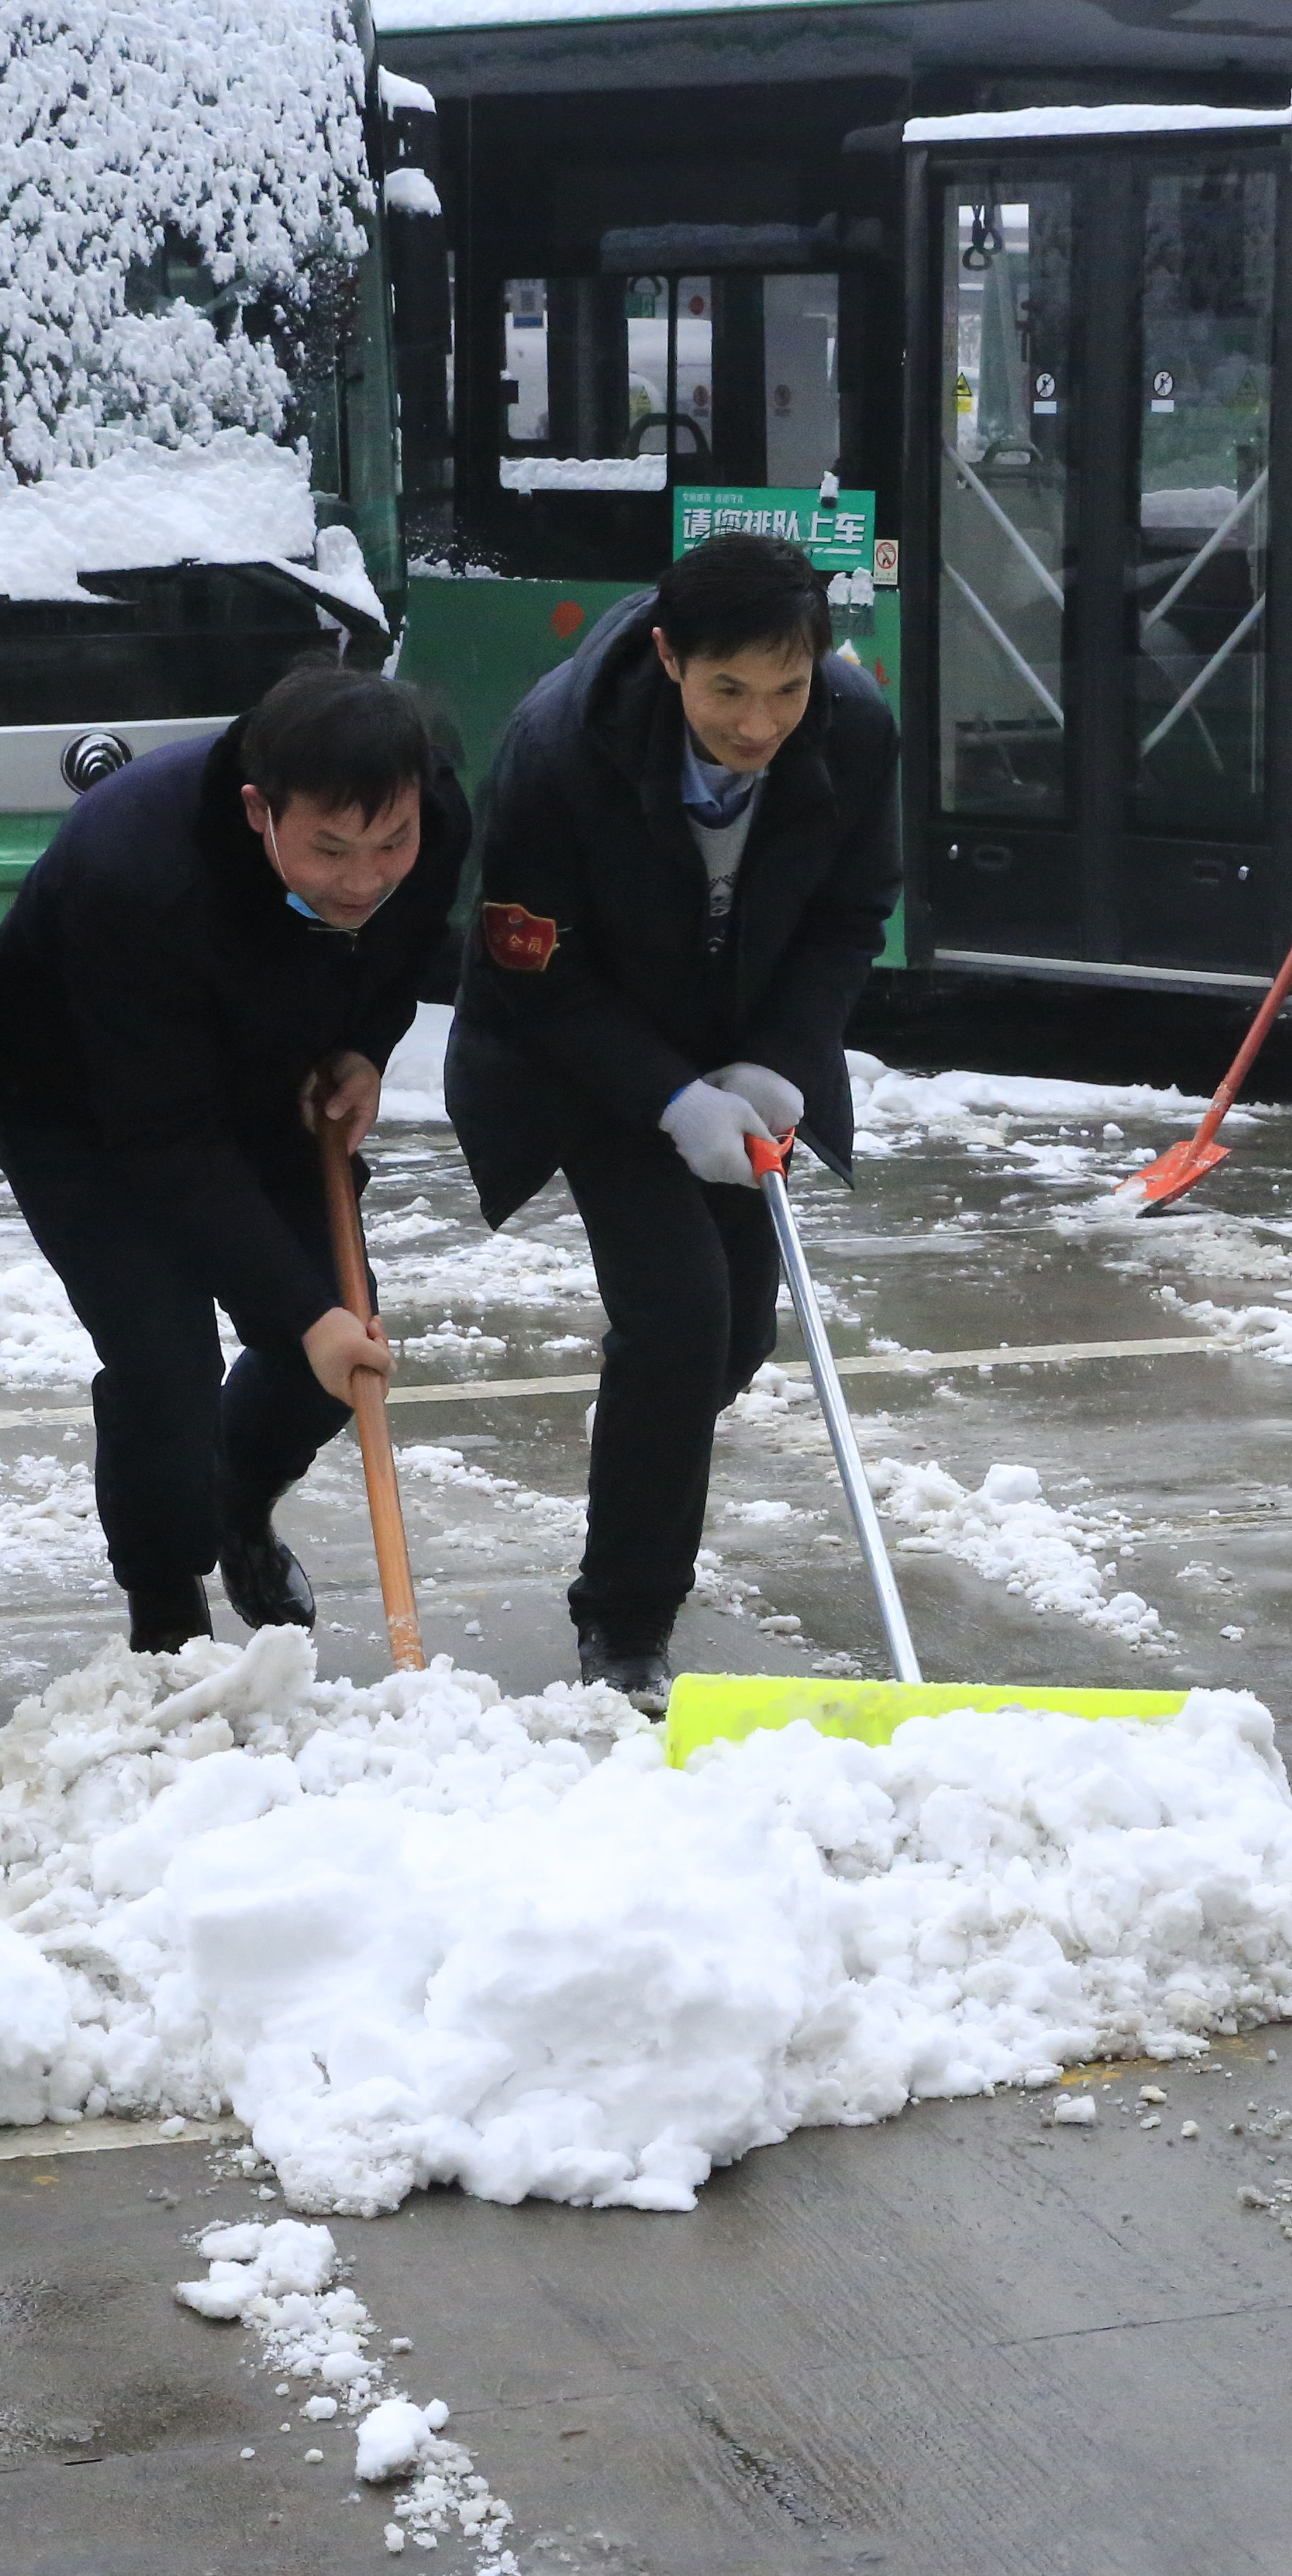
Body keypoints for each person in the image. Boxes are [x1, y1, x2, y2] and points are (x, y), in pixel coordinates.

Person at [445, 533, 900, 1711]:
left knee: (733, 1334)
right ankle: (627, 1622)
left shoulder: (854, 731)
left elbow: (851, 913)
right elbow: (533, 972)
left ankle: (644, 1436)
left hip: (745, 1053)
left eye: (789, 688)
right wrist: (668, 1095)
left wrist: (784, 1061)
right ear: (667, 657)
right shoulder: (560, 751)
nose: (762, 724)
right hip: (591, 1062)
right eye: (729, 692)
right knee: (679, 1316)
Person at [0, 663, 467, 1653]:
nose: (365, 876)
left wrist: (364, 1044)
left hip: (270, 1079)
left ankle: (232, 1500)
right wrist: (305, 1312)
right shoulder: (138, 872)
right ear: (258, 809)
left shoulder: (430, 811)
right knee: (167, 1367)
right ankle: (165, 1597)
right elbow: (166, 1142)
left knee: (331, 1356)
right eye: (329, 848)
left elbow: (400, 947)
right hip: (81, 1105)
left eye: (391, 842)